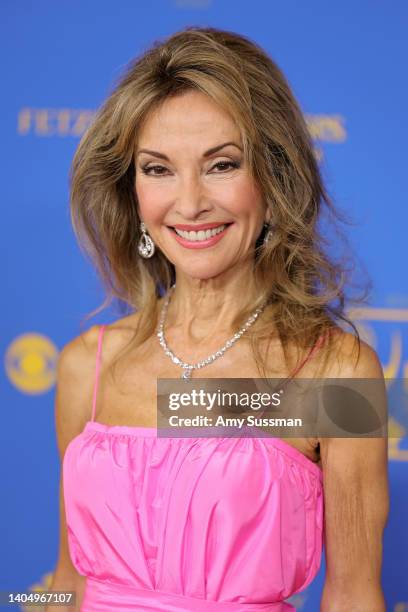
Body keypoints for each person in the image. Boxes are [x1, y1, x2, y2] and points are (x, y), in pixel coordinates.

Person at [47, 27, 389, 611]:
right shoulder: (89, 363)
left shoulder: (333, 374)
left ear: (275, 176)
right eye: (158, 169)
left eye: (222, 165)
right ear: (131, 191)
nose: (189, 203)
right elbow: (65, 583)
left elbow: (353, 595)